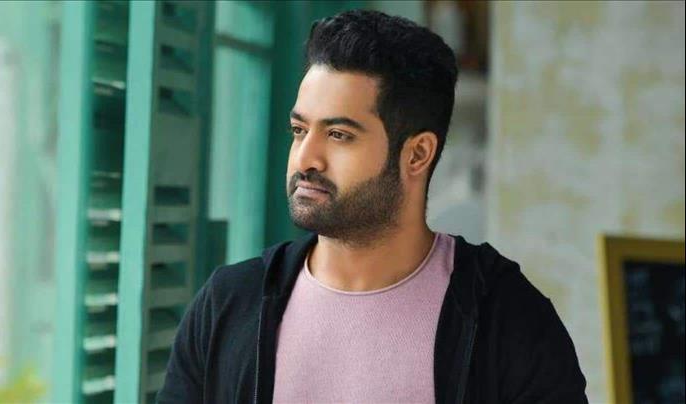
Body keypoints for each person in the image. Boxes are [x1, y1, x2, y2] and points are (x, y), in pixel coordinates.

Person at [157, 9, 587, 404]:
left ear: (417, 154)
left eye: (339, 135)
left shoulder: (506, 318)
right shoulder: (228, 305)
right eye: (299, 130)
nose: (306, 158)